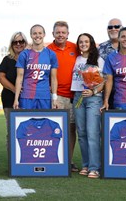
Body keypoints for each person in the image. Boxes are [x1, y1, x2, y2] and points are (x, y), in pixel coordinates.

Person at [46, 21, 79, 172]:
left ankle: (69, 160)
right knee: (55, 129)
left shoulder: (75, 47)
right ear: (53, 34)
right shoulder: (48, 50)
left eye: (63, 32)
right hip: (56, 95)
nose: (60, 35)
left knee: (71, 129)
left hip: (74, 96)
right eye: (57, 32)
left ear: (67, 34)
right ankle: (54, 158)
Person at [71, 33, 104, 179]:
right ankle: (86, 164)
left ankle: (94, 167)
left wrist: (93, 91)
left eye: (86, 41)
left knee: (92, 132)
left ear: (91, 43)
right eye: (80, 42)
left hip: (93, 98)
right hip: (78, 97)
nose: (83, 44)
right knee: (82, 133)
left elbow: (106, 81)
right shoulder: (76, 58)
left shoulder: (99, 60)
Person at [98, 18, 126, 109]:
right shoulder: (101, 47)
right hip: (109, 90)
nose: (113, 29)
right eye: (110, 27)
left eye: (117, 26)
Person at [13, 24, 59, 110]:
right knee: (28, 123)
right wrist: (16, 99)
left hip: (44, 96)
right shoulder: (24, 54)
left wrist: (54, 98)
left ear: (44, 34)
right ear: (31, 35)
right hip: (27, 96)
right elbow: (19, 77)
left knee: (44, 122)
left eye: (40, 33)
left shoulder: (51, 54)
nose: (37, 36)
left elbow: (53, 78)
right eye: (34, 33)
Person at [0, 31, 27, 148]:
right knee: (12, 131)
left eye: (21, 41)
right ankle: (12, 162)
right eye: (15, 42)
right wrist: (16, 89)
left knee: (28, 131)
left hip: (28, 99)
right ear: (11, 44)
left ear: (25, 43)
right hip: (10, 100)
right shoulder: (7, 59)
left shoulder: (31, 58)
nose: (18, 44)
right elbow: (0, 77)